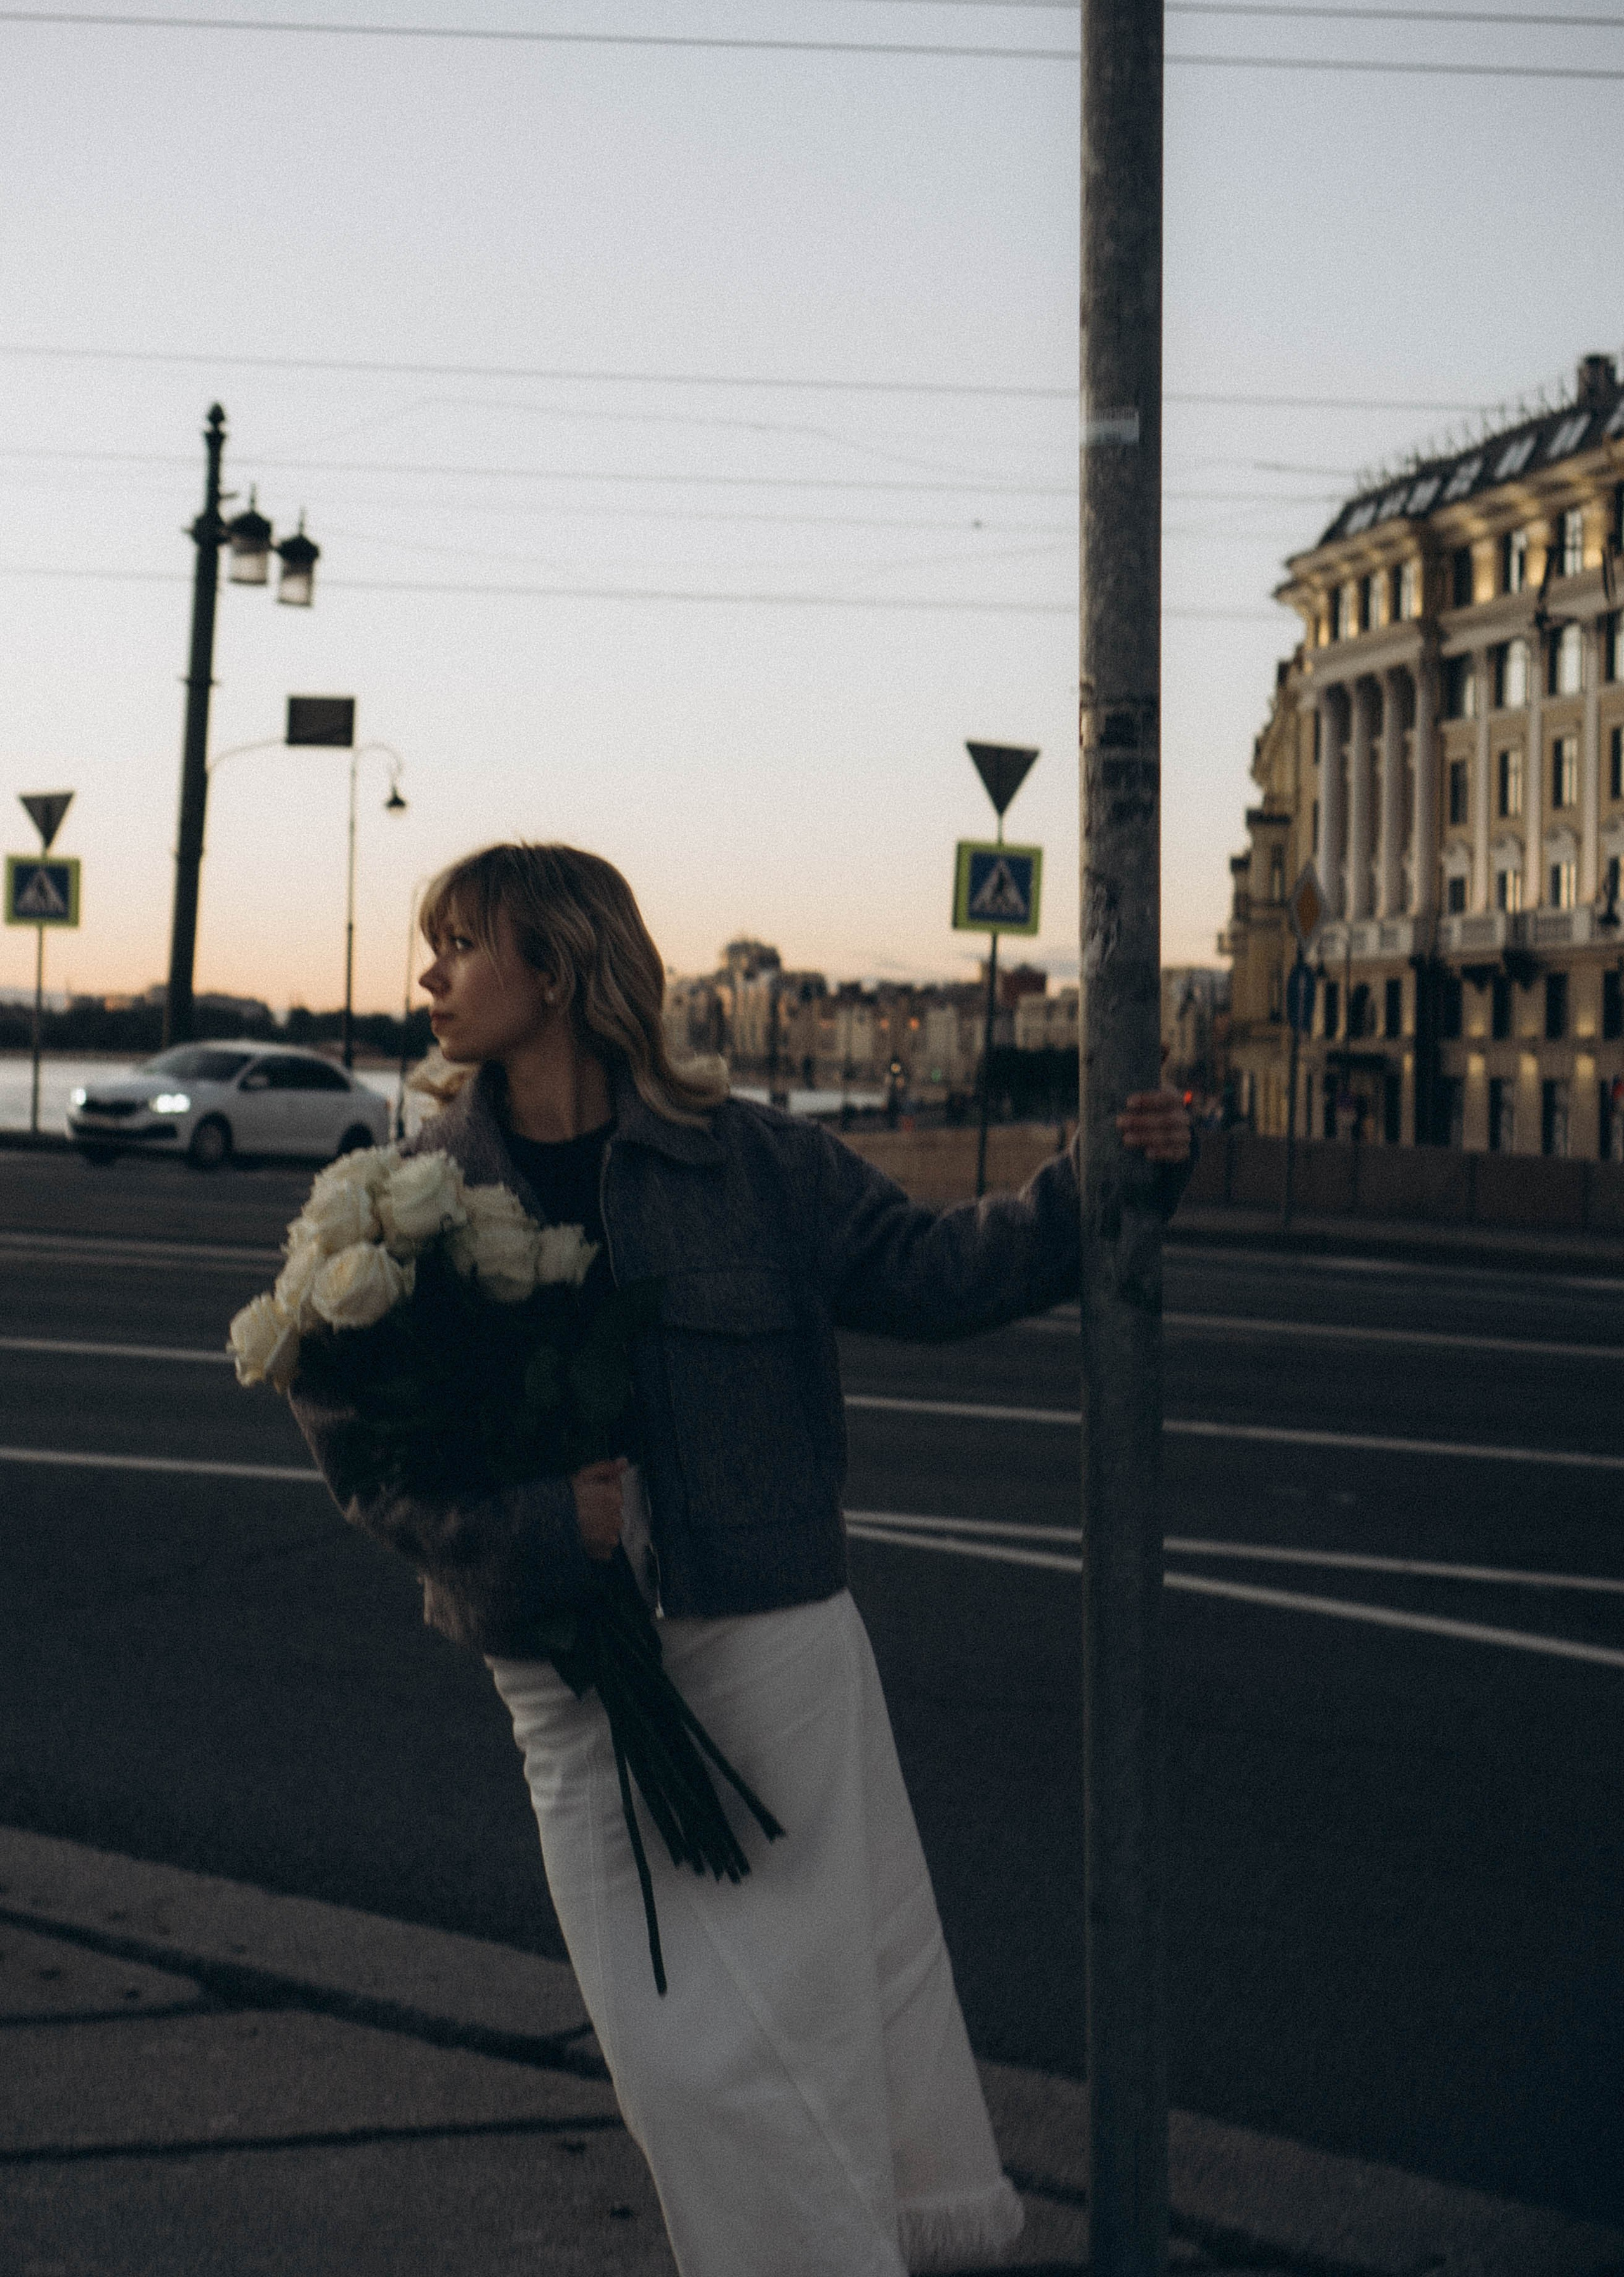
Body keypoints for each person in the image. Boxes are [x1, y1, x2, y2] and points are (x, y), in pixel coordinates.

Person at [291, 839, 1191, 2277]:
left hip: (767, 1651)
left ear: (560, 967)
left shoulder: (754, 1163)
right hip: (567, 1683)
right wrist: (541, 1527)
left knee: (821, 2031)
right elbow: (370, 1462)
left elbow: (936, 1272)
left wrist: (1102, 1182)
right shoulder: (404, 1199)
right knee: (679, 2066)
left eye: (461, 943)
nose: (430, 975)